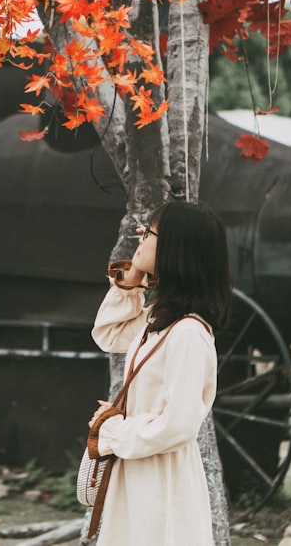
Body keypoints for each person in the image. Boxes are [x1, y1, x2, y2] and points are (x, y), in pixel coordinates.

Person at [88, 201, 231, 545]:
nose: (141, 238)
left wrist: (114, 430)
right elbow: (108, 334)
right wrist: (132, 280)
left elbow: (178, 426)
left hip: (162, 479)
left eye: (150, 232)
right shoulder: (161, 319)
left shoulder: (189, 334)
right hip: (139, 468)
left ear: (174, 249)